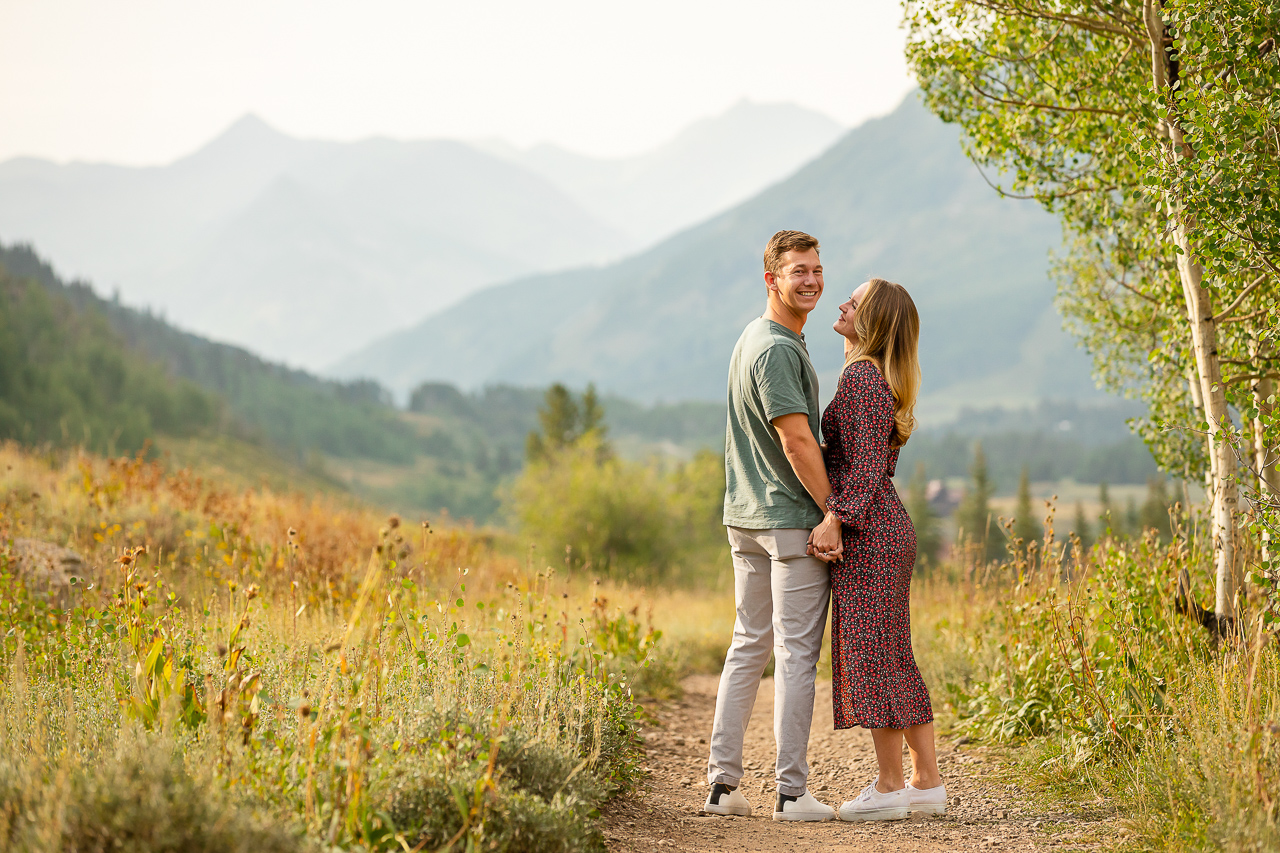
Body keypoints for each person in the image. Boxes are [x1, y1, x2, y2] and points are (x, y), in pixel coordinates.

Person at [702, 230, 844, 822]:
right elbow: (795, 439)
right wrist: (835, 510)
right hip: (788, 523)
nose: (810, 281)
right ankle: (791, 793)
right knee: (794, 656)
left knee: (747, 647)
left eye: (816, 270)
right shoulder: (779, 349)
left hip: (745, 517)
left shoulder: (752, 338)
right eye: (797, 272)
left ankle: (723, 787)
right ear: (772, 280)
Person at [808, 277, 946, 821]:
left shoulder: (863, 378)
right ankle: (926, 782)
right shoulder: (873, 377)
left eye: (855, 302)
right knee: (892, 653)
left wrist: (836, 519)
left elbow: (863, 467)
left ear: (875, 321)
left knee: (874, 656)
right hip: (887, 528)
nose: (841, 302)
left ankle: (890, 787)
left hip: (871, 533)